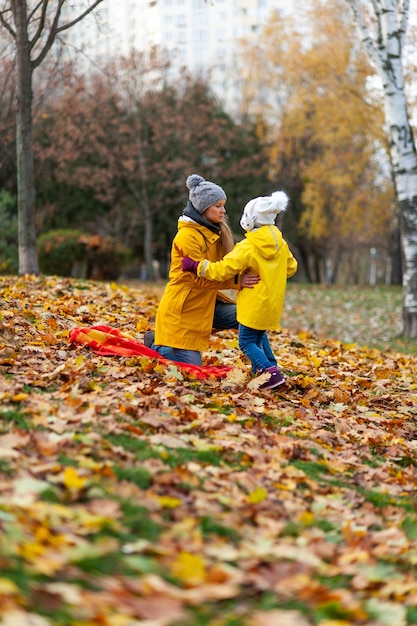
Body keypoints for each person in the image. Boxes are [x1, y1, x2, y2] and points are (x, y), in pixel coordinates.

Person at [182, 190, 298, 389]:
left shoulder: (248, 247)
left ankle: (271, 374)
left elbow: (222, 270)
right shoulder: (281, 244)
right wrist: (272, 272)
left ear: (249, 220)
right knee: (259, 337)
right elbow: (291, 267)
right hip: (271, 305)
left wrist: (197, 266)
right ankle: (267, 369)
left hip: (253, 305)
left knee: (246, 342)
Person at [145, 174, 259, 366]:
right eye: (218, 206)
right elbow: (200, 278)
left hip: (208, 303)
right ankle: (155, 343)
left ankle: (264, 365)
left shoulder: (216, 232)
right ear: (203, 208)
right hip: (185, 310)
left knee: (250, 316)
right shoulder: (186, 237)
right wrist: (237, 281)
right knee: (193, 367)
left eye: (223, 205)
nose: (223, 210)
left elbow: (227, 263)